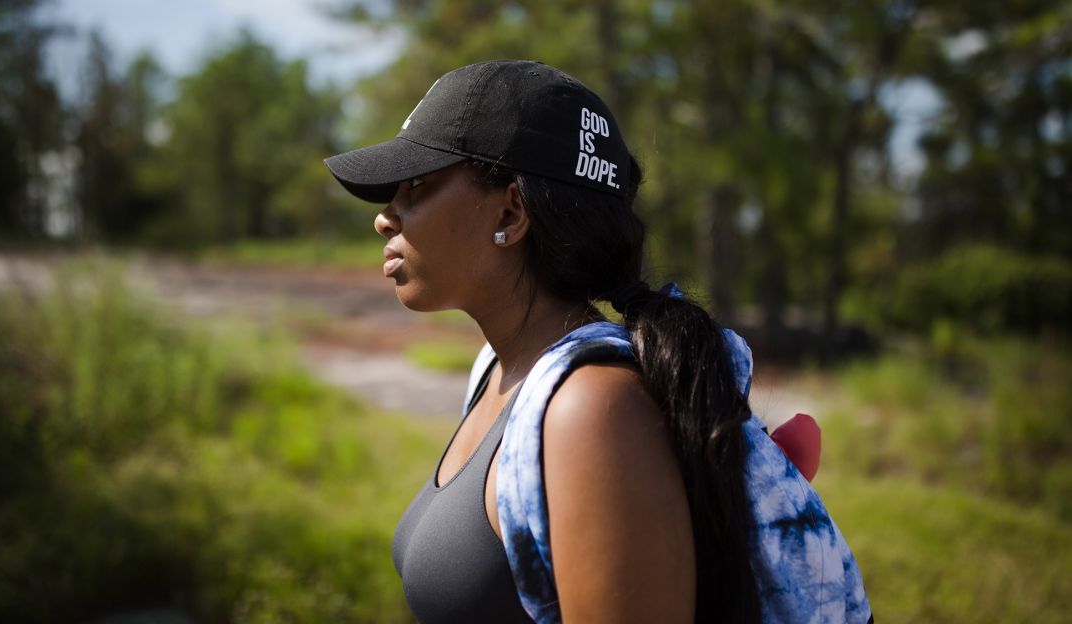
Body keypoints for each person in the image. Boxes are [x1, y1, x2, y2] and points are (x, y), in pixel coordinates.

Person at [323, 59, 871, 624]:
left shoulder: (591, 410)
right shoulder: (499, 371)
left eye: (416, 186)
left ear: (511, 212)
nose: (385, 218)